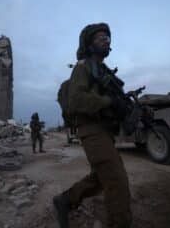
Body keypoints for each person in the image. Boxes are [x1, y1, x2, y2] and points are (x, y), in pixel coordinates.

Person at [53, 23, 132, 228]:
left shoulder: (104, 72)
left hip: (105, 131)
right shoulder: (83, 67)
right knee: (117, 181)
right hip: (91, 131)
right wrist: (109, 102)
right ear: (89, 44)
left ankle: (65, 200)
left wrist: (123, 107)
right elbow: (76, 100)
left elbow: (112, 102)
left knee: (100, 178)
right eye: (100, 38)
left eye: (107, 37)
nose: (106, 40)